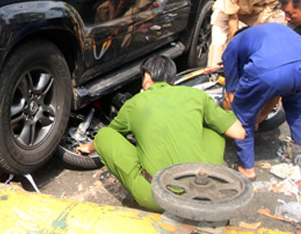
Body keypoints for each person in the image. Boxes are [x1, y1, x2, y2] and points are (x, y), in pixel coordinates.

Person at [76, 56, 245, 211]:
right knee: (216, 126)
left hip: (158, 198)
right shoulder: (196, 95)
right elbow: (239, 133)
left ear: (147, 77)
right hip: (203, 192)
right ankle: (207, 177)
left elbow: (111, 135)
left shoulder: (134, 103)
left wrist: (89, 147)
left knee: (105, 135)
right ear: (173, 80)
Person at [222, 23, 301, 180]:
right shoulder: (271, 31)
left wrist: (231, 121)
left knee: (242, 116)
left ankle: (247, 169)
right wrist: (260, 116)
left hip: (266, 70)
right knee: (297, 111)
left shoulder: (234, 43)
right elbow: (276, 92)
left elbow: (231, 95)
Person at [207, 0, 283, 66]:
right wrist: (236, 45)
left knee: (264, 38)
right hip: (228, 10)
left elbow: (261, 21)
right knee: (218, 43)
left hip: (255, 12)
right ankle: (213, 71)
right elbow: (232, 18)